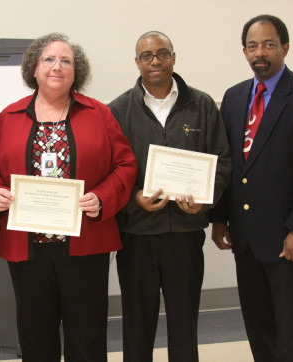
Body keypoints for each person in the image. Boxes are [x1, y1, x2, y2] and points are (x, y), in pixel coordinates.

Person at [0, 33, 137, 361]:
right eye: (48, 60)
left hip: (85, 244)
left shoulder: (100, 114)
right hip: (28, 248)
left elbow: (125, 164)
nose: (57, 67)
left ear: (76, 71)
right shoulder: (7, 118)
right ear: (33, 69)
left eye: (66, 61)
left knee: (88, 333)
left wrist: (102, 198)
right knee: (36, 335)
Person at [210, 14, 293, 361]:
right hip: (246, 238)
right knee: (259, 326)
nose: (259, 52)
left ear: (285, 47)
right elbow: (229, 164)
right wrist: (220, 219)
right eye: (252, 46)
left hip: (288, 239)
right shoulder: (234, 98)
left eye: (268, 44)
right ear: (244, 51)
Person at [108, 31, 231, 361]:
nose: (155, 61)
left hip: (186, 235)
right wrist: (134, 198)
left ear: (174, 58)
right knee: (136, 324)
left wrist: (204, 201)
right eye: (146, 56)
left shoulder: (202, 105)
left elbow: (222, 161)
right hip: (137, 235)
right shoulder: (118, 110)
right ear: (137, 63)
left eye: (162, 54)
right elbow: (109, 172)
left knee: (184, 323)